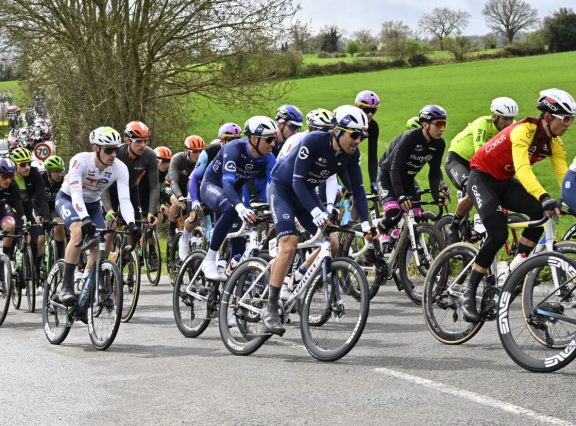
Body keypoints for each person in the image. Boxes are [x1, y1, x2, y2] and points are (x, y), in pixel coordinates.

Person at [462, 88, 575, 323]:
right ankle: (468, 293)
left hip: (503, 181)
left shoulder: (555, 143)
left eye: (571, 119)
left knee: (539, 214)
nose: (569, 125)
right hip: (481, 177)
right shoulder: (524, 130)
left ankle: (516, 265)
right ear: (548, 116)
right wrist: (544, 196)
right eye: (565, 119)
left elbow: (564, 177)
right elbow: (522, 169)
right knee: (498, 232)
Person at [262, 105, 376, 335]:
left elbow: (358, 190)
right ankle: (270, 307)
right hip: (283, 189)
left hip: (306, 193)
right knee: (289, 244)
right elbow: (297, 182)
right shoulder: (313, 141)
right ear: (337, 131)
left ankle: (296, 278)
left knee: (332, 243)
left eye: (362, 136)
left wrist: (366, 224)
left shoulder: (351, 154)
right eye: (354, 134)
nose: (358, 140)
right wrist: (316, 211)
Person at [55, 127, 141, 305]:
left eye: (116, 149)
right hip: (68, 199)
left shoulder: (120, 168)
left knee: (101, 239)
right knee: (78, 231)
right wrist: (84, 218)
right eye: (108, 150)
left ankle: (89, 282)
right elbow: (76, 194)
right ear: (96, 148)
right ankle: (66, 286)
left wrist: (132, 223)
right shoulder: (80, 161)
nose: (113, 154)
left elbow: (125, 200)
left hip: (93, 204)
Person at [199, 116, 277, 280]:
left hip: (234, 192)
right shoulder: (234, 148)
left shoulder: (268, 157)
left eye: (274, 139)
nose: (273, 144)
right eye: (269, 139)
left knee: (239, 244)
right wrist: (240, 208)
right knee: (230, 208)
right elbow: (227, 184)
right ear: (254, 139)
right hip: (212, 186)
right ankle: (209, 259)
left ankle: (229, 278)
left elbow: (276, 187)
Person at [444, 97, 519, 243]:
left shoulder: (512, 128)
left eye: (511, 118)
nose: (509, 123)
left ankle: (480, 225)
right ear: (494, 116)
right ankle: (454, 226)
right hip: (459, 160)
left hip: (481, 165)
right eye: (505, 119)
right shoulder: (482, 124)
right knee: (473, 188)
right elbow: (481, 153)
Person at [376, 105, 448, 239]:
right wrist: (400, 196)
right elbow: (395, 168)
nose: (442, 128)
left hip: (408, 180)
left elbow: (434, 172)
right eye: (438, 124)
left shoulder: (439, 144)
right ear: (425, 125)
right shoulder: (410, 137)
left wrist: (436, 195)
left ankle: (401, 245)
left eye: (444, 124)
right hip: (388, 176)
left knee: (416, 216)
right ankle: (375, 234)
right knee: (394, 213)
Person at [181, 123, 242, 262]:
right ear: (222, 140)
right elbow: (194, 178)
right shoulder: (210, 151)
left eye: (237, 140)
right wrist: (195, 201)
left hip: (222, 189)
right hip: (201, 185)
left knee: (228, 221)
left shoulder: (240, 152)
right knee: (195, 215)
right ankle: (185, 238)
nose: (234, 143)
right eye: (230, 140)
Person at [102, 121, 159, 228]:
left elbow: (154, 186)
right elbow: (103, 181)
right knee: (111, 225)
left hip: (131, 189)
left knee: (135, 227)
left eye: (146, 141)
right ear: (127, 140)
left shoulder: (150, 155)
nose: (143, 145)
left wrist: (151, 212)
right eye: (139, 141)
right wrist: (108, 209)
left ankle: (130, 239)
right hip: (111, 189)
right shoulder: (116, 153)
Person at [11, 147, 49, 276]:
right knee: (13, 232)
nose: (27, 167)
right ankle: (9, 262)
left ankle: (34, 269)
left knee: (37, 238)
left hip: (27, 208)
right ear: (14, 165)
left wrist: (46, 217)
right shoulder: (8, 176)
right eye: (22, 164)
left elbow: (41, 197)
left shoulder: (34, 173)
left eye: (29, 163)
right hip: (10, 208)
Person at [166, 135, 204, 245]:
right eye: (195, 152)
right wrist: (179, 197)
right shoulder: (177, 159)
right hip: (173, 187)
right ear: (187, 151)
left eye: (200, 151)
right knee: (176, 203)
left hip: (190, 190)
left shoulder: (204, 160)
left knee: (196, 212)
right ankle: (171, 232)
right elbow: (173, 182)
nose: (198, 154)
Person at [0, 158, 25, 279]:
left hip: (2, 211)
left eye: (11, 176)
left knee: (11, 224)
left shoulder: (13, 186)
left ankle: (4, 259)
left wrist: (23, 227)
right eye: (4, 176)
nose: (8, 180)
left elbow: (19, 209)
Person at [41, 155, 67, 260]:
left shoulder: (64, 180)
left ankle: (59, 257)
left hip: (56, 207)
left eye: (61, 171)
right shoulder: (41, 179)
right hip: (42, 207)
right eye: (56, 171)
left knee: (59, 223)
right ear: (48, 172)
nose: (60, 174)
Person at [355, 90, 381, 194]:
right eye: (366, 110)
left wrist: (373, 182)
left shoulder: (373, 126)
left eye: (373, 111)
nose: (370, 114)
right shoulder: (349, 122)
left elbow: (372, 156)